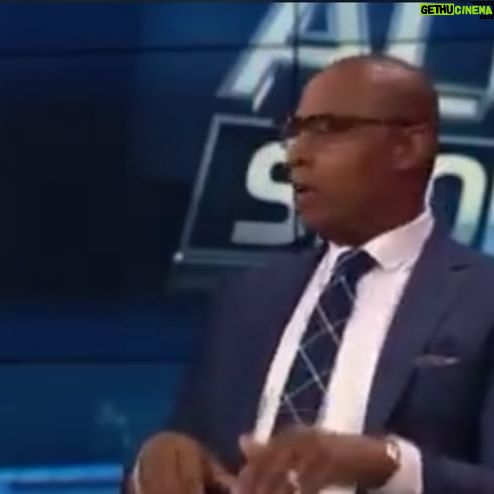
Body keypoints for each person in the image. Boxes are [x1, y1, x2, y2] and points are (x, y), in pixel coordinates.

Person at [127, 55, 494, 494]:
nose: (296, 154)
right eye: (294, 131)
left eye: (326, 129)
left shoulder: (481, 296)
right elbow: (188, 448)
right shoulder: (246, 297)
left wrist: (390, 468)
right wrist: (153, 466)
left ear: (409, 146)